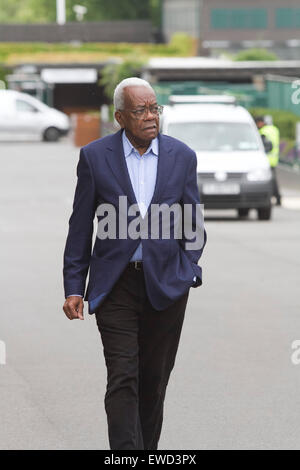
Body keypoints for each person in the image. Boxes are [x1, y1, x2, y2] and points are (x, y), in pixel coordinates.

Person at [62, 77, 207, 450]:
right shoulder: (95, 157)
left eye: (154, 108)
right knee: (123, 376)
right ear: (120, 117)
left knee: (153, 381)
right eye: (140, 110)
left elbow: (193, 222)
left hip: (167, 285)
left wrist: (188, 268)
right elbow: (80, 226)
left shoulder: (182, 156)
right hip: (116, 285)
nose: (150, 117)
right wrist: (74, 287)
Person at [255, 116, 281, 206]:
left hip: (265, 160)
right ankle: (278, 198)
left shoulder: (263, 132)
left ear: (261, 122)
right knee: (273, 181)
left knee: (268, 181)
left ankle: (272, 198)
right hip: (273, 159)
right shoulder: (275, 129)